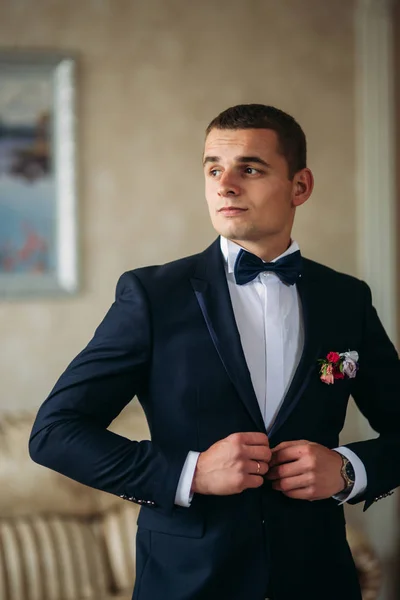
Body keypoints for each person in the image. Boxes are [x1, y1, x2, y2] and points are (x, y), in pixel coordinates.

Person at [29, 104, 400, 600]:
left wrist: (350, 469)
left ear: (300, 186)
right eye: (212, 169)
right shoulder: (152, 296)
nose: (224, 185)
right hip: (189, 581)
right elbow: (55, 432)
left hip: (318, 577)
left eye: (249, 168)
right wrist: (191, 472)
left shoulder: (346, 299)